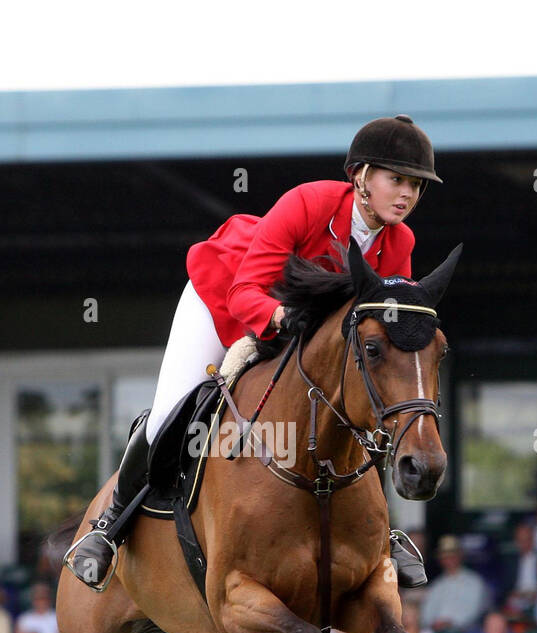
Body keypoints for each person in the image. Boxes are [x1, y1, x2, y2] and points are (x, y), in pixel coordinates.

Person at [65, 114, 443, 592]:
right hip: (222, 296)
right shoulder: (307, 202)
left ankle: (383, 531)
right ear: (362, 175)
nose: (407, 194)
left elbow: (382, 329)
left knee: (361, 420)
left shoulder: (399, 242)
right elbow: (245, 291)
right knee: (170, 410)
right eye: (397, 180)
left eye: (416, 185)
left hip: (301, 337)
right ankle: (109, 530)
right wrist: (283, 319)